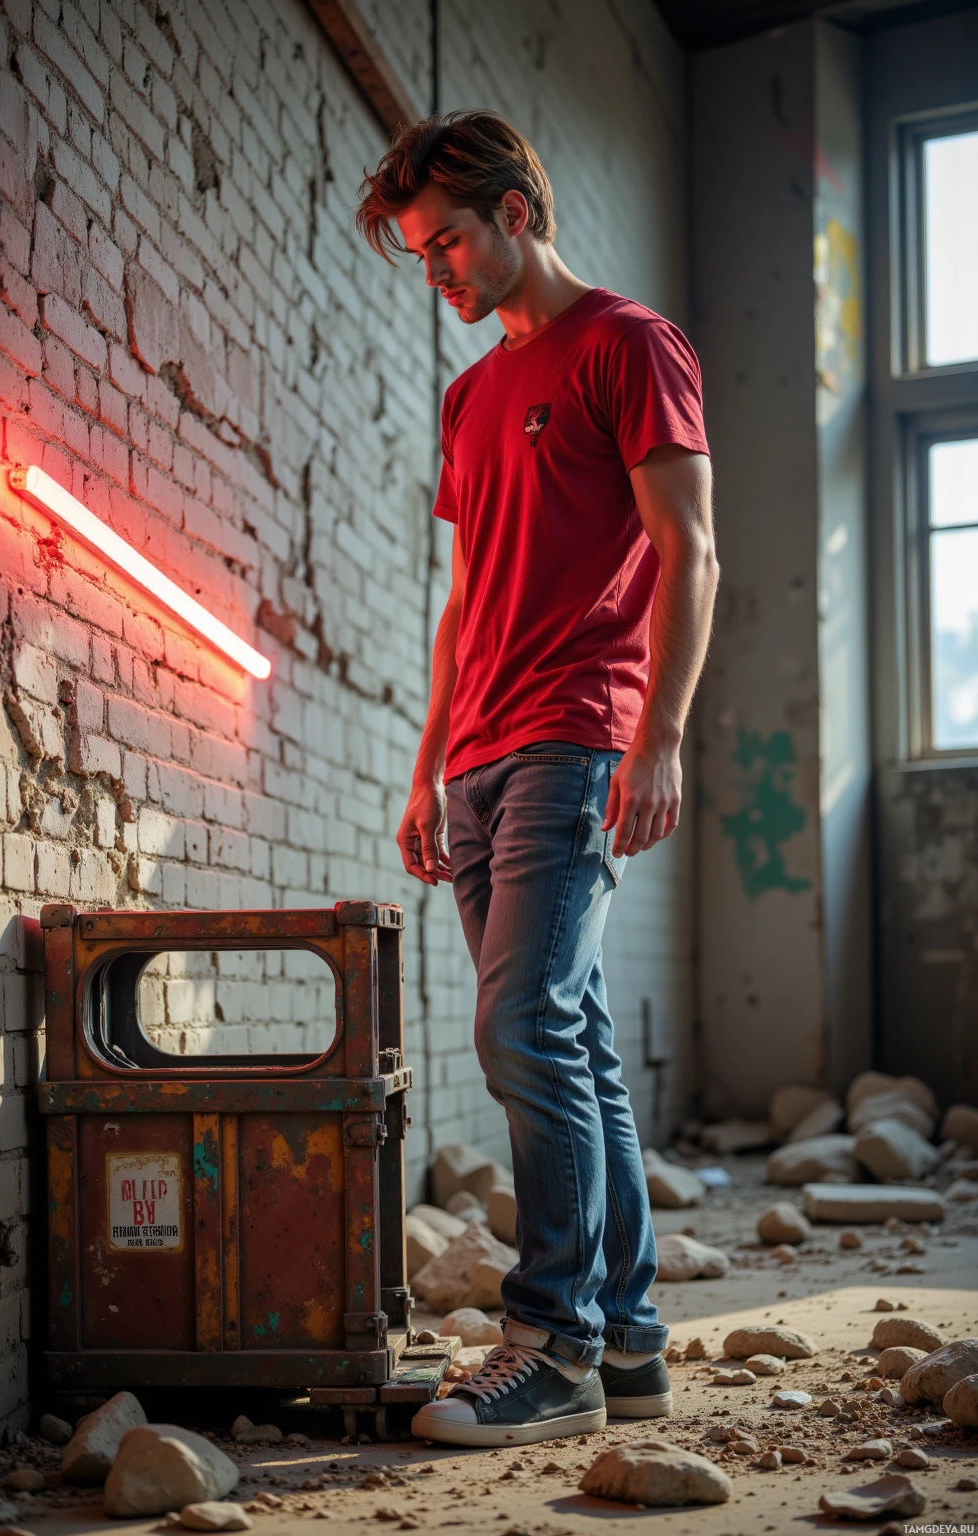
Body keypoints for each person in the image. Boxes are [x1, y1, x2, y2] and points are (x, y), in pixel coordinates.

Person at [356, 111, 718, 1449]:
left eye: (447, 240)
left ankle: (549, 1339)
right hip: (478, 757)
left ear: (518, 212)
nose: (437, 271)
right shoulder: (470, 395)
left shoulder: (629, 345)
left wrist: (660, 735)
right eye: (417, 253)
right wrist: (422, 766)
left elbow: (695, 552)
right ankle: (626, 1347)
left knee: (517, 1029)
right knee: (573, 1046)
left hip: (577, 737)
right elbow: (464, 600)